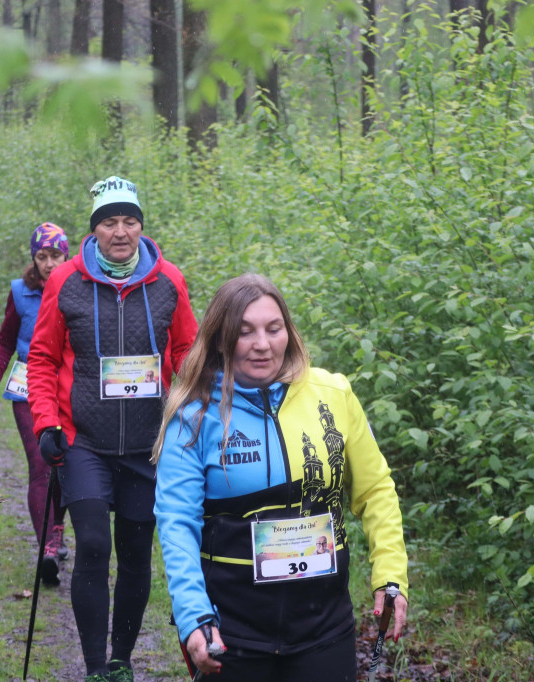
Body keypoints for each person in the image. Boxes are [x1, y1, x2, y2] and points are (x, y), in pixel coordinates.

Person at [152, 273, 409, 682]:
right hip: (233, 632)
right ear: (221, 338)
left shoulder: (333, 394)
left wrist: (390, 576)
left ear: (288, 331)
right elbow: (176, 524)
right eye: (245, 332)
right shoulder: (193, 416)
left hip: (324, 625)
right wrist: (193, 615)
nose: (262, 344)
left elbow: (376, 490)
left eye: (274, 329)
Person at [26, 176, 198, 682]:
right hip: (85, 443)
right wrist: (46, 422)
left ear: (141, 225)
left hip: (149, 445)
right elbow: (41, 357)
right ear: (94, 229)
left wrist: (192, 403)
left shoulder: (169, 281)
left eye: (129, 221)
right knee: (95, 545)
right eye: (109, 222)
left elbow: (188, 350)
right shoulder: (66, 282)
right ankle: (96, 667)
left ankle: (122, 658)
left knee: (136, 554)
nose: (120, 231)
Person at [0, 223, 71, 585]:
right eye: (42, 257)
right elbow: (4, 342)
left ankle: (57, 527)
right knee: (41, 465)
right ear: (33, 257)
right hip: (28, 387)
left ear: (67, 254)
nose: (48, 264)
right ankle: (47, 547)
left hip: (70, 388)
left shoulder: (79, 286)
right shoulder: (21, 292)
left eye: (55, 256)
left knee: (64, 468)